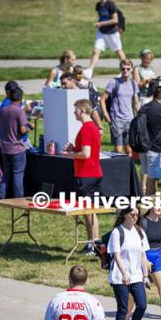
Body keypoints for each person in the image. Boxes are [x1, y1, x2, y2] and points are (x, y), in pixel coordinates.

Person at [62, 99, 103, 256]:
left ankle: (94, 244)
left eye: (76, 110)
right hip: (89, 173)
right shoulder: (90, 127)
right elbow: (87, 150)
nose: (74, 113)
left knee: (89, 211)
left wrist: (70, 154)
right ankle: (92, 243)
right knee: (88, 210)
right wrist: (74, 148)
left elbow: (86, 154)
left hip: (87, 174)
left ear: (83, 110)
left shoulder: (87, 128)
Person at [107, 207, 150, 320]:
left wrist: (146, 276)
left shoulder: (140, 231)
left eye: (137, 215)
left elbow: (143, 256)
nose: (134, 217)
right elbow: (117, 256)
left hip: (136, 275)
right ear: (125, 215)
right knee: (123, 309)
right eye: (132, 214)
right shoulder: (117, 232)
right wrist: (124, 274)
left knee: (142, 305)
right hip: (120, 277)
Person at [100, 59, 140, 155]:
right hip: (117, 119)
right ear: (120, 69)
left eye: (127, 69)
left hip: (130, 119)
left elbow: (136, 102)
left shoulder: (133, 84)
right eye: (123, 69)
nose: (125, 71)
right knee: (118, 149)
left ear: (131, 70)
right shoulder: (114, 82)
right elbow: (102, 99)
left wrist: (140, 115)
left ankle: (128, 168)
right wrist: (105, 114)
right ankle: (106, 157)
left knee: (129, 150)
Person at [87, 0, 126, 75]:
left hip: (112, 32)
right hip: (102, 32)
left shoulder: (111, 5)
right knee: (96, 51)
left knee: (118, 51)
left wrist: (100, 24)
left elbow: (115, 20)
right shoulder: (98, 5)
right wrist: (100, 24)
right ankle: (90, 70)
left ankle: (125, 68)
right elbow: (102, 17)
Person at [0, 86, 29, 199]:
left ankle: (2, 196)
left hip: (5, 147)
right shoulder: (19, 111)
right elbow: (22, 130)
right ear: (21, 98)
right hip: (17, 148)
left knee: (6, 174)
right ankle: (18, 198)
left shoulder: (3, 110)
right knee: (18, 174)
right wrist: (28, 128)